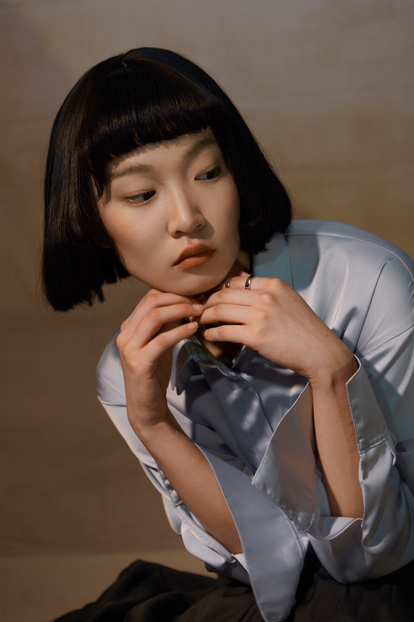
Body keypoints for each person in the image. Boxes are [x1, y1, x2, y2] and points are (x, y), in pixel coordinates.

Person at [43, 48, 414, 622]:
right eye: (142, 194)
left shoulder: (368, 281)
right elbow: (264, 571)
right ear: (96, 226)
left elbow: (378, 554)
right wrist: (153, 424)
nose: (187, 218)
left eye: (208, 173)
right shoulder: (127, 372)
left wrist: (331, 369)